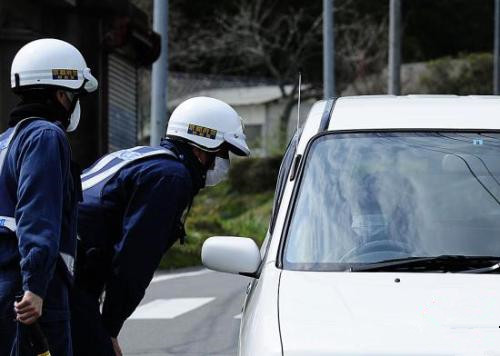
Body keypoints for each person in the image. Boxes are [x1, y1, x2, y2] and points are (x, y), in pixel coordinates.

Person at [71, 96, 250, 355]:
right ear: (202, 147)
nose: (224, 163)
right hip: (63, 275)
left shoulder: (141, 157)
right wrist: (109, 329)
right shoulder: (170, 177)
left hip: (48, 266)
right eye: (222, 153)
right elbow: (135, 259)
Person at [0, 38, 98, 355]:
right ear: (60, 93)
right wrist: (36, 287)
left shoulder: (5, 142)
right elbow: (36, 215)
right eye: (75, 96)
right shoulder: (45, 136)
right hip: (31, 293)